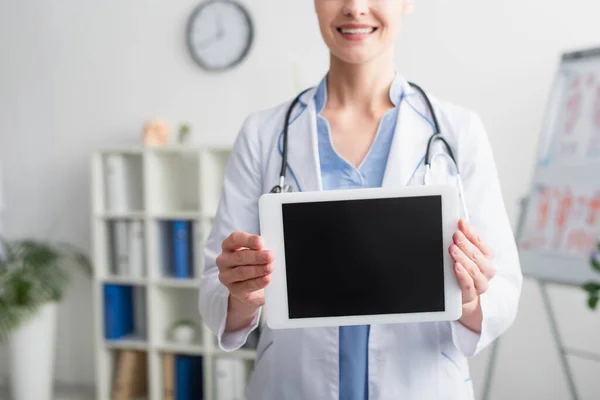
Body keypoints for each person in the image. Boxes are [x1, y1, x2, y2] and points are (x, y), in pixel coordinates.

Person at [199, 1, 523, 399]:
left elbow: (504, 287)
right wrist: (240, 293)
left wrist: (472, 298)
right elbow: (214, 289)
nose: (354, 7)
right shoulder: (263, 135)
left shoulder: (459, 132)